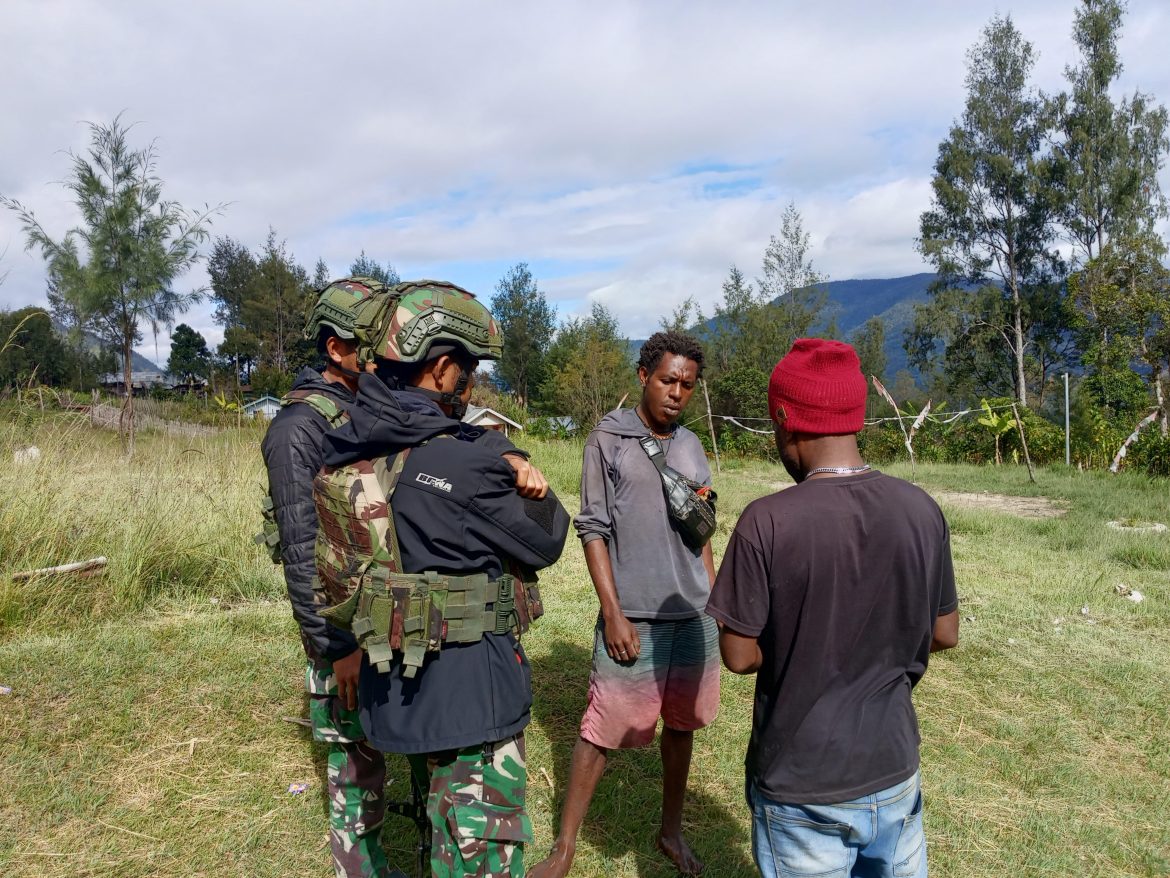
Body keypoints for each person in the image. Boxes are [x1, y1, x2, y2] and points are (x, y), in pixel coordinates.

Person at [313, 280, 571, 878]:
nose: (472, 383)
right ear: (443, 368)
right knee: (475, 853)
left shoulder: (350, 444)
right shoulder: (468, 458)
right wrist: (509, 459)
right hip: (472, 700)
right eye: (470, 371)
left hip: (397, 693)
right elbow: (549, 533)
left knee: (438, 836)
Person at [705, 338, 959, 878]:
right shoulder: (922, 510)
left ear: (783, 418)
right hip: (894, 770)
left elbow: (739, 656)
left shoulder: (766, 521)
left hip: (802, 781)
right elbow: (944, 632)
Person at [530, 331, 719, 878]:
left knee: (681, 726)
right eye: (667, 380)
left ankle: (670, 833)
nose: (676, 393)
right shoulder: (607, 440)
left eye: (686, 384)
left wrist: (719, 599)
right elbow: (592, 530)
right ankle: (564, 849)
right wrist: (613, 613)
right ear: (643, 377)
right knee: (602, 729)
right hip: (633, 615)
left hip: (693, 614)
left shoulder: (690, 446)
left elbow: (702, 527)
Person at [260, 276, 394, 878]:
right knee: (353, 761)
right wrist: (336, 646)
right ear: (336, 347)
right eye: (370, 346)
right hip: (341, 628)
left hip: (382, 611)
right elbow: (300, 547)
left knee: (380, 741)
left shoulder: (363, 404)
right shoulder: (298, 428)